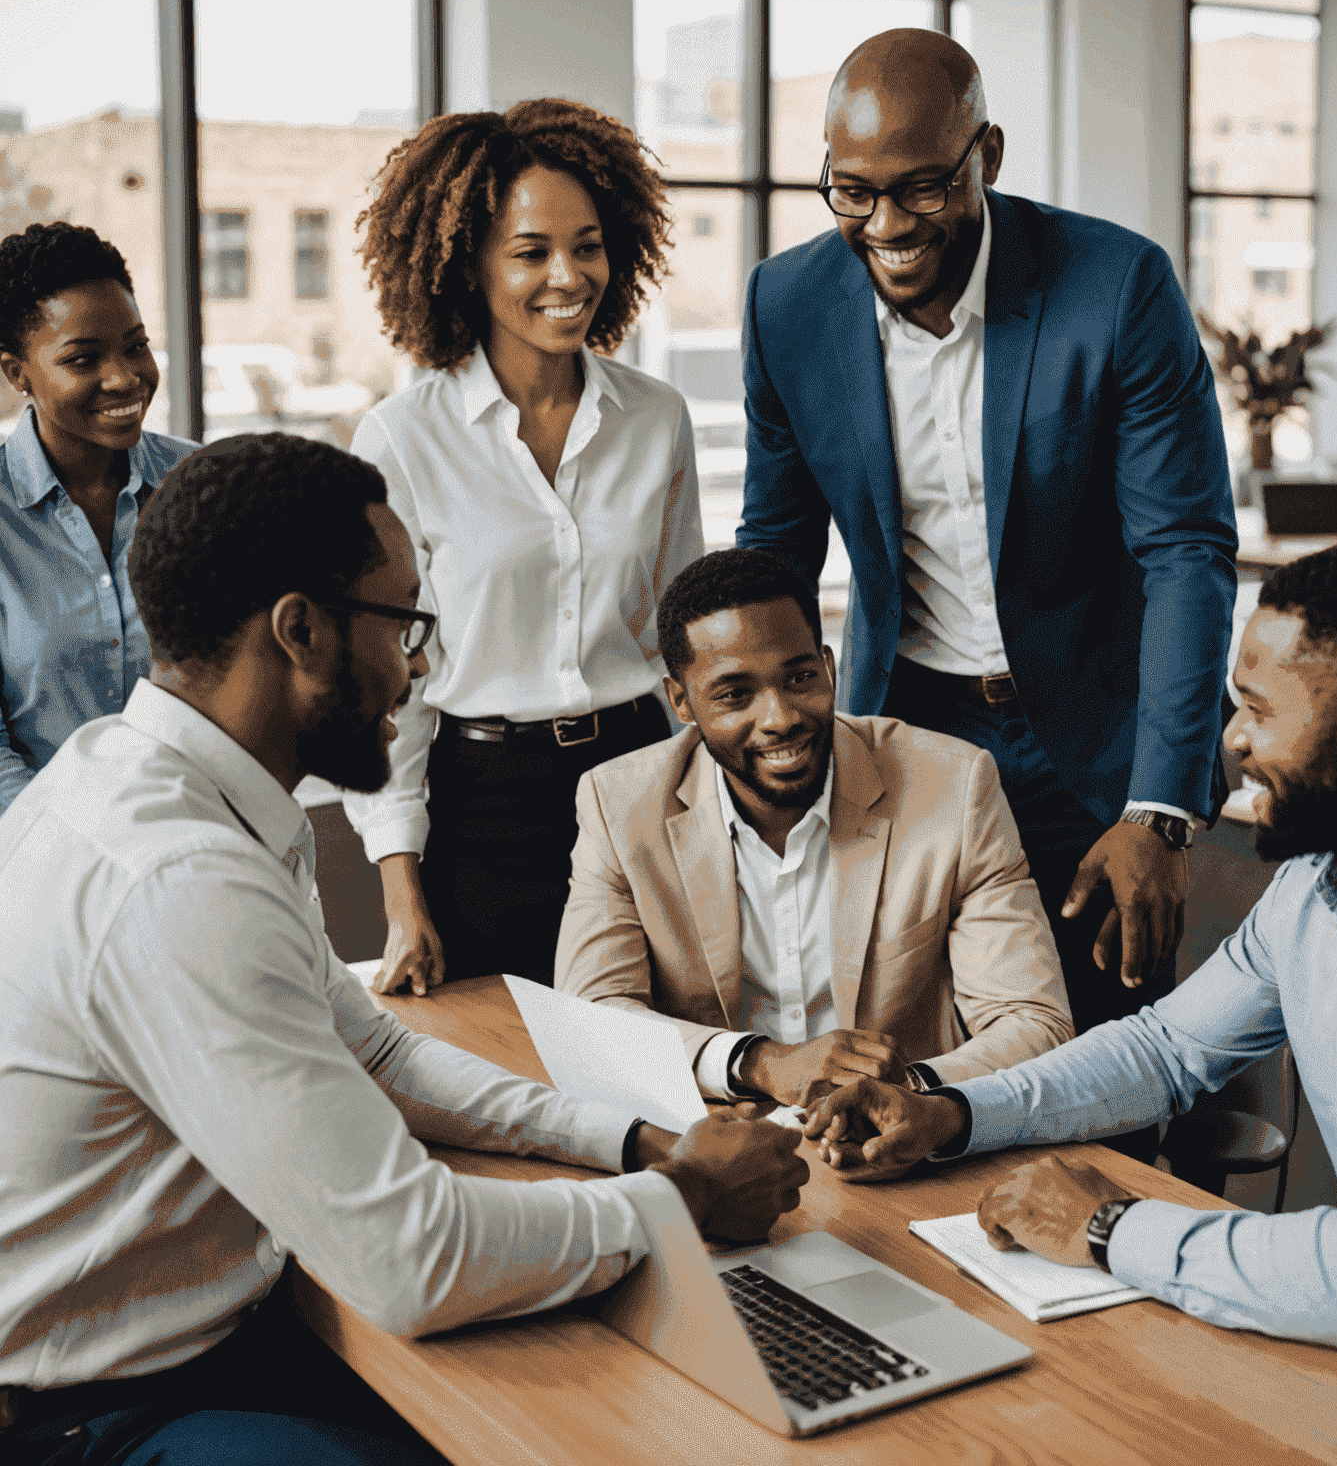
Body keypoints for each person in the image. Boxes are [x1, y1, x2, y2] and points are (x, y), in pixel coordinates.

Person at [0, 435, 807, 1465]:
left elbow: (375, 1055)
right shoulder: (180, 880)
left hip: (203, 1345)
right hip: (101, 1414)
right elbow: (411, 1260)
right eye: (405, 623)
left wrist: (636, 1142)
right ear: (300, 631)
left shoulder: (143, 775)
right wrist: (684, 1201)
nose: (420, 667)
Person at [802, 539, 1337, 1368]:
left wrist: (1109, 1226)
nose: (1234, 741)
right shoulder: (1314, 889)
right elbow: (1163, 1050)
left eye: (1259, 710)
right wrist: (951, 1110)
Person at [736, 28, 1238, 1136]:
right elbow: (775, 551)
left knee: (1115, 1061)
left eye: (923, 188)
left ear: (987, 157)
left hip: (1096, 743)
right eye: (852, 192)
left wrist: (1160, 809)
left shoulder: (1114, 285)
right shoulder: (788, 303)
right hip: (911, 736)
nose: (889, 227)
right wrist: (747, 736)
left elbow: (1185, 552)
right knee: (915, 1055)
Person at [344, 100, 705, 994]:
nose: (568, 276)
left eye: (588, 246)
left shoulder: (656, 417)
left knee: (655, 1062)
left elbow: (684, 632)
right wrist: (402, 893)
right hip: (482, 807)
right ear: (469, 264)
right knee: (514, 1081)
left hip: (640, 784)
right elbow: (389, 682)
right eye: (531, 251)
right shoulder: (402, 438)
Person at [556, 548, 1074, 1123]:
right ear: (681, 701)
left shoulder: (954, 784)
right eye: (735, 694)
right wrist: (760, 1064)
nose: (780, 717)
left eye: (800, 677)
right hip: (724, 1146)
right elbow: (592, 1020)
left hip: (904, 1148)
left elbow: (1035, 1023)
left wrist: (905, 1095)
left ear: (828, 667)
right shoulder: (618, 804)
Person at [0, 220, 195, 814]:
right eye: (83, 359)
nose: (124, 377)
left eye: (136, 346)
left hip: (202, 847)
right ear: (18, 374)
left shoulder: (201, 487)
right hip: (41, 869)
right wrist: (82, 856)